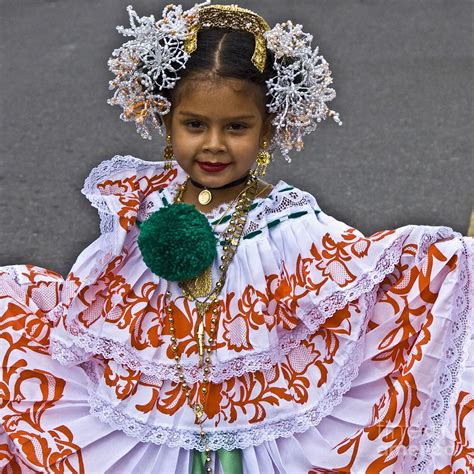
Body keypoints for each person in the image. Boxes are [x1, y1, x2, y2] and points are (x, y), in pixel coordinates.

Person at [0, 2, 472, 473]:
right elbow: (91, 302)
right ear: (167, 122)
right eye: (194, 124)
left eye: (237, 127)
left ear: (268, 129)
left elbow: (364, 272)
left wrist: (455, 266)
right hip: (154, 416)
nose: (214, 144)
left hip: (264, 426)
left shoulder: (286, 223)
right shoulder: (140, 209)